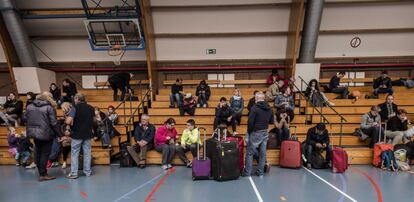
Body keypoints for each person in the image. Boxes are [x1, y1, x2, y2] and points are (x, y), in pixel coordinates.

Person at [25, 92, 62, 181]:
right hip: (46, 133)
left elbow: (25, 118)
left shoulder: (29, 106)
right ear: (49, 98)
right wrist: (60, 134)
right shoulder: (49, 108)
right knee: (45, 154)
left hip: (34, 133)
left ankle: (41, 172)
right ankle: (43, 174)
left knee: (38, 152)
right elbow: (54, 123)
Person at [65, 93, 95, 179]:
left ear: (77, 99)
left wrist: (67, 117)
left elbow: (68, 121)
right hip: (88, 134)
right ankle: (87, 172)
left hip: (77, 134)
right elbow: (94, 121)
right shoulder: (91, 108)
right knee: (87, 153)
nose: (74, 100)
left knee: (75, 153)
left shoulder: (74, 108)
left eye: (75, 99)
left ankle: (74, 173)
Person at [243, 92, 273, 177]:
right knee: (263, 154)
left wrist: (249, 132)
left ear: (257, 98)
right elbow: (271, 120)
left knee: (249, 153)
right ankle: (260, 172)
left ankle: (247, 172)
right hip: (265, 132)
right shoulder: (269, 107)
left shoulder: (255, 107)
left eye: (255, 98)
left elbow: (250, 122)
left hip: (256, 132)